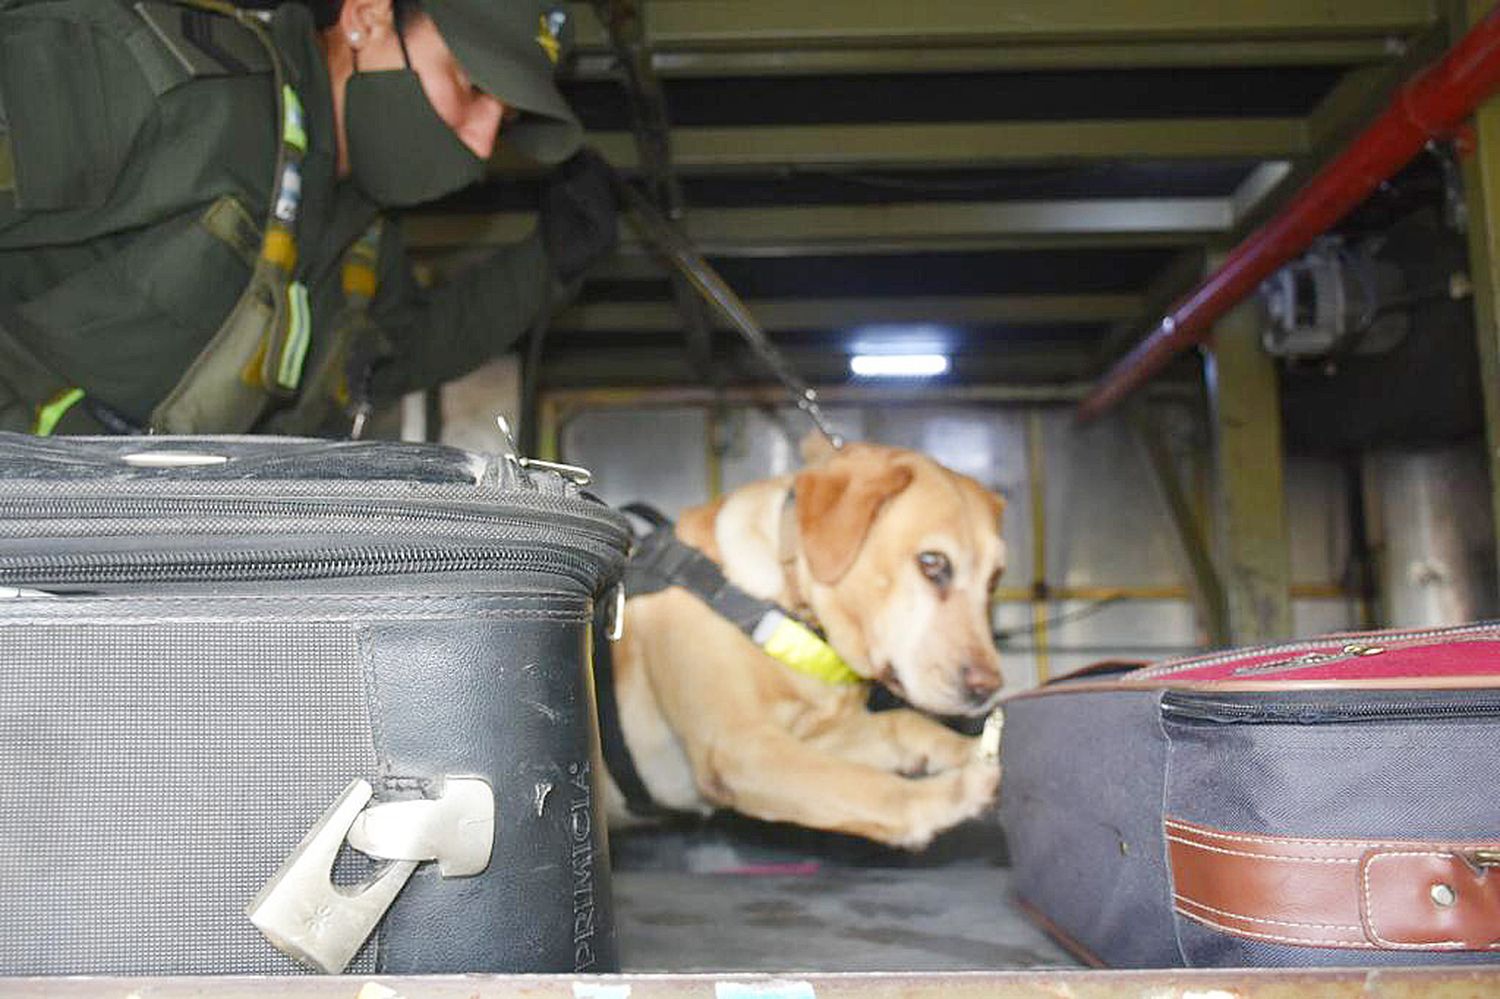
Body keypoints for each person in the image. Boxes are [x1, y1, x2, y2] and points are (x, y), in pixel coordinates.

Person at [0, 0, 616, 436]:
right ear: (367, 17)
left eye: (503, 123)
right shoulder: (176, 87)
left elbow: (397, 354)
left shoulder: (356, 237)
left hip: (108, 560)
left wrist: (547, 264)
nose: (482, 146)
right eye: (470, 86)